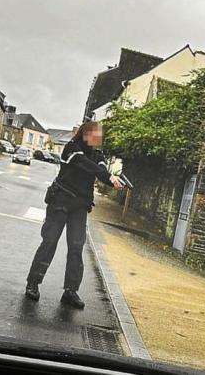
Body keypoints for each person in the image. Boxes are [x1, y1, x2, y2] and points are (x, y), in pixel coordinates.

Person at [25, 121, 124, 309]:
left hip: (79, 206)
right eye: (96, 134)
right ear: (86, 134)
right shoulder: (72, 149)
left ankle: (71, 291)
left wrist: (113, 181)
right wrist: (107, 176)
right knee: (49, 241)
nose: (99, 138)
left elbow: (101, 170)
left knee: (77, 247)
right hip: (60, 201)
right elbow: (83, 163)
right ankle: (33, 283)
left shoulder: (98, 155)